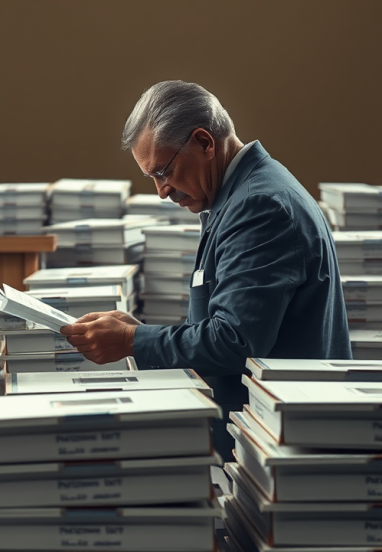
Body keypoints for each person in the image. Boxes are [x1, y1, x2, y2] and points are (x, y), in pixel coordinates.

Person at [60, 80, 350, 459]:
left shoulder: (259, 205)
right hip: (263, 439)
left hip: (283, 449)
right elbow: (225, 322)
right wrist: (136, 331)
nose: (161, 192)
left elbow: (234, 340)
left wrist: (133, 340)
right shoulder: (238, 195)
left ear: (204, 142)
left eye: (163, 171)